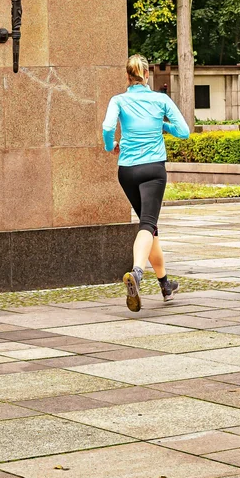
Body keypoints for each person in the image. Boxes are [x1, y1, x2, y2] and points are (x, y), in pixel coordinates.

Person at [102, 55, 190, 311]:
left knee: (150, 228)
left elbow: (107, 127)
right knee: (148, 224)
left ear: (127, 76)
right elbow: (184, 131)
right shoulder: (160, 100)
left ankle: (165, 284)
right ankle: (138, 273)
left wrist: (110, 146)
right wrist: (163, 126)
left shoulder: (118, 100)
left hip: (127, 171)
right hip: (153, 170)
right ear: (147, 75)